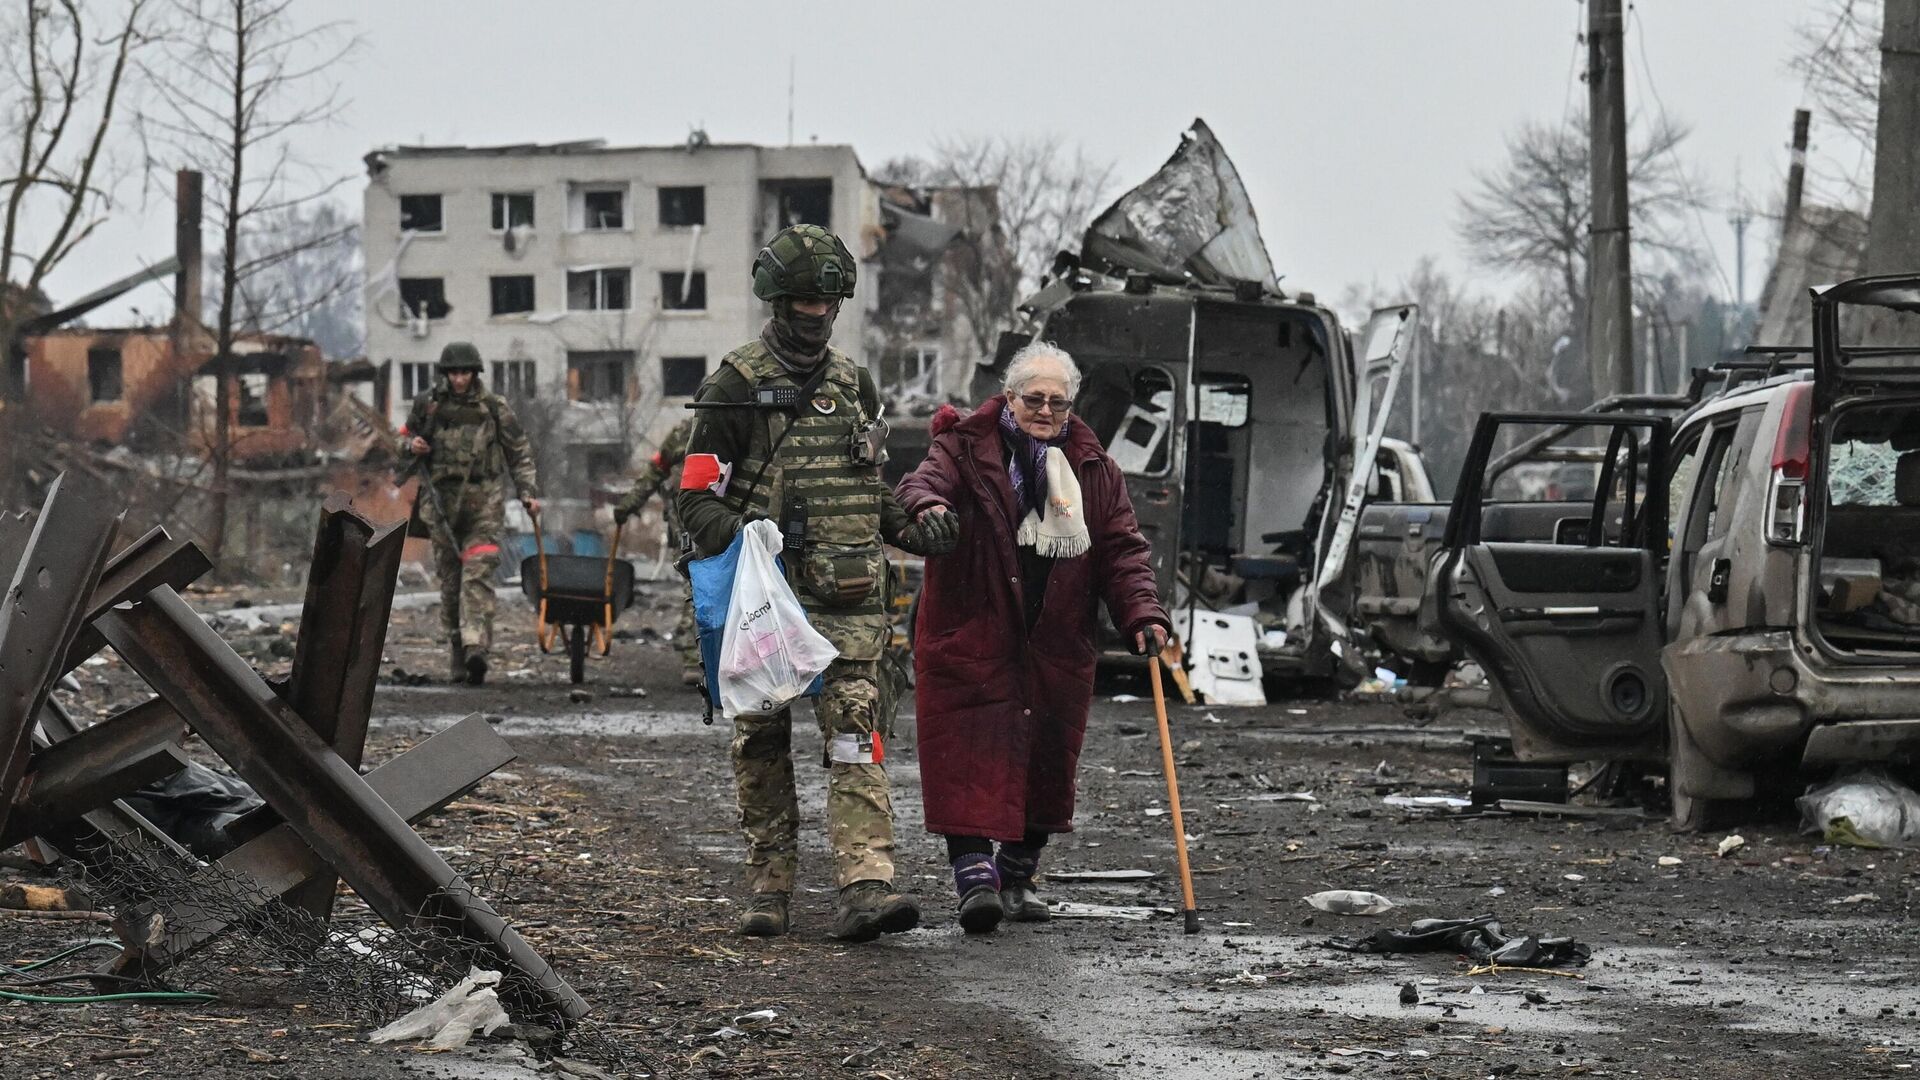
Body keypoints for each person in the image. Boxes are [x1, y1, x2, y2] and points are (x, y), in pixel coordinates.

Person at [676, 224, 954, 942]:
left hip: (849, 604)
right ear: (776, 300)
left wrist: (917, 530)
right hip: (765, 605)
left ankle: (868, 885)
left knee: (856, 740)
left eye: (825, 303)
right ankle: (769, 889)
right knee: (761, 746)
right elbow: (695, 498)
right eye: (801, 301)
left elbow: (869, 490)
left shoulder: (853, 384)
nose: (813, 315)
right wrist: (742, 540)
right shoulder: (733, 385)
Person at [895, 341, 1170, 933]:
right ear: (1009, 397)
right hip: (973, 624)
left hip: (1055, 634)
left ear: (1071, 407)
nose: (1045, 410)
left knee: (1047, 751)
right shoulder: (963, 448)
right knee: (964, 749)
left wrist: (1143, 614)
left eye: (1058, 401)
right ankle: (974, 879)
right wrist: (928, 509)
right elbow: (920, 484)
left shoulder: (1095, 469)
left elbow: (1122, 550)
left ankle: (1018, 874)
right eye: (1034, 398)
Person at [400, 341, 541, 685]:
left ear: (474, 373)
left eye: (465, 372)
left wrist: (527, 492)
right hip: (441, 505)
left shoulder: (494, 408)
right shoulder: (428, 406)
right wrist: (411, 445)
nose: (459, 379)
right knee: (450, 583)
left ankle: (476, 644)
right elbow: (401, 440)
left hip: (484, 502)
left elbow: (518, 451)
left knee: (477, 573)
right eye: (454, 373)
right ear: (445, 374)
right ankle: (457, 652)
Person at [614, 416, 701, 686]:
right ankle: (691, 653)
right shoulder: (683, 434)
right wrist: (628, 505)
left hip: (723, 525)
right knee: (697, 586)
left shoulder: (733, 429)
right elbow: (655, 471)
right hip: (688, 528)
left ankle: (705, 654)